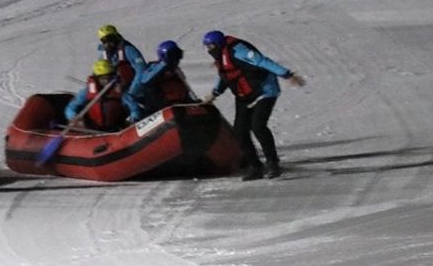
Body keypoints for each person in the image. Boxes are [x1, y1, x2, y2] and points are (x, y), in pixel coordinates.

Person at [199, 30, 305, 181]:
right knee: (240, 132)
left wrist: (287, 74)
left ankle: (273, 164)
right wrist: (214, 94)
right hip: (244, 95)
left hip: (264, 91)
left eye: (211, 46)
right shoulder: (222, 57)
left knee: (258, 126)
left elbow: (262, 61)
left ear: (218, 44)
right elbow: (225, 76)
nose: (209, 50)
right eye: (206, 47)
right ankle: (256, 167)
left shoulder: (239, 50)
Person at [126, 40, 196, 122]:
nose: (176, 59)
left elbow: (185, 88)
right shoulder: (154, 68)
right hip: (159, 108)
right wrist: (164, 65)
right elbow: (145, 80)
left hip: (179, 106)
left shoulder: (176, 71)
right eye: (173, 56)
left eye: (178, 55)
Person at [65, 59, 127, 132]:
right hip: (92, 129)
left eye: (109, 77)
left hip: (114, 129)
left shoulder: (119, 90)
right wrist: (74, 117)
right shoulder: (87, 92)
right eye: (103, 78)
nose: (106, 81)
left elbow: (132, 106)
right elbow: (70, 108)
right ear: (97, 79)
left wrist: (135, 115)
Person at [96, 24, 148, 89]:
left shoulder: (128, 49)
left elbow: (141, 68)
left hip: (131, 86)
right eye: (104, 40)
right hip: (114, 88)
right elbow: (99, 71)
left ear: (116, 36)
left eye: (110, 38)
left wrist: (134, 87)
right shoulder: (104, 55)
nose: (108, 42)